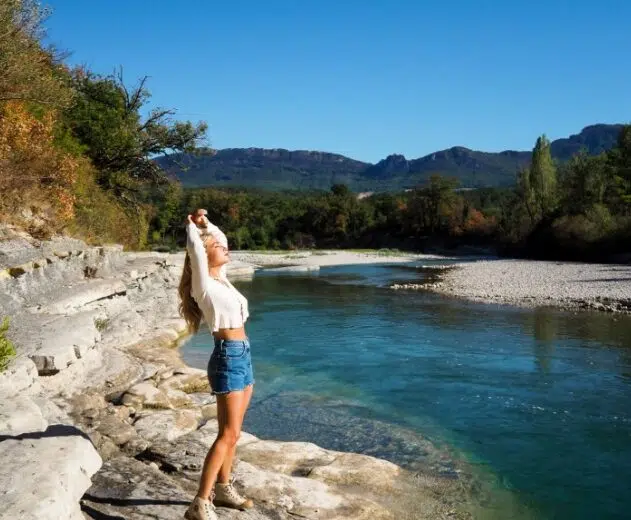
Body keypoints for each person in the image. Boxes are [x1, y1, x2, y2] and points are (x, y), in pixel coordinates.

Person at [178, 208, 255, 520]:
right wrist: (193, 229)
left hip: (243, 355)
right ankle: (200, 502)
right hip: (227, 356)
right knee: (226, 434)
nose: (225, 247)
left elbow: (218, 237)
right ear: (204, 253)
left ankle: (224, 489)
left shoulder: (221, 279)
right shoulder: (203, 285)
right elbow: (198, 248)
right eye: (218, 247)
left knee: (234, 433)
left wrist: (207, 224)